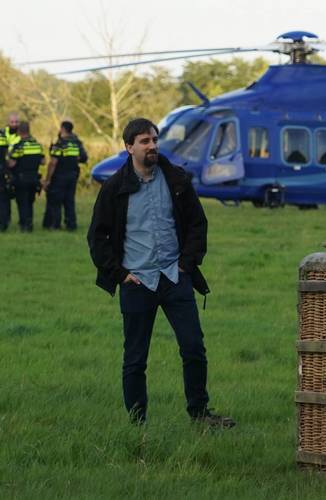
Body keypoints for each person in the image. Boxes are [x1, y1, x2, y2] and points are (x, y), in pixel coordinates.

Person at [86, 118, 233, 429]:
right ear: (128, 148)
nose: (152, 145)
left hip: (174, 277)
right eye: (143, 141)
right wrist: (120, 275)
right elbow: (97, 237)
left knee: (194, 347)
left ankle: (200, 414)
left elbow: (197, 225)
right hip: (137, 282)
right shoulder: (114, 188)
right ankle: (138, 424)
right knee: (135, 359)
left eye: (154, 139)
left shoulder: (177, 180)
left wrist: (186, 264)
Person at [43, 120, 88, 231]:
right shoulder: (76, 143)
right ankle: (71, 225)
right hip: (72, 176)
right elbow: (84, 157)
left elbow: (53, 163)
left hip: (59, 176)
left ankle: (55, 225)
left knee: (56, 201)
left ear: (62, 129)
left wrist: (48, 179)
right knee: (69, 201)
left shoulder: (60, 144)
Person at [6, 121, 45, 232]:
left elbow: (12, 163)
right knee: (30, 201)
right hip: (34, 177)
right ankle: (30, 222)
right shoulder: (37, 145)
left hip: (21, 178)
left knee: (22, 202)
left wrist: (7, 159)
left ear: (19, 131)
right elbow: (43, 161)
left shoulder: (19, 146)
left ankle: (24, 225)